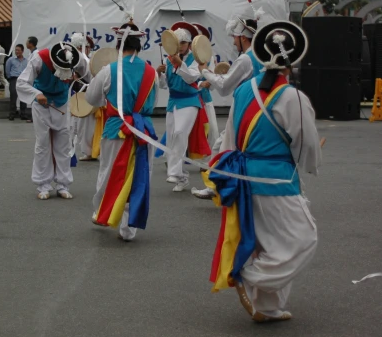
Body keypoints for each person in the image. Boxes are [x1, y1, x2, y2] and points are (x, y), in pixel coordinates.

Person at [205, 20, 321, 323]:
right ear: (292, 59)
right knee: (302, 239)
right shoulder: (293, 97)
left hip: (244, 177)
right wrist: (306, 165)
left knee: (267, 241)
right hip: (276, 178)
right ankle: (248, 274)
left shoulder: (244, 91)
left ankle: (266, 307)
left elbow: (230, 138)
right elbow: (305, 144)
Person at [86, 21, 157, 241]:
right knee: (139, 175)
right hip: (143, 130)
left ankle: (103, 212)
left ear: (119, 45)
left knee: (108, 172)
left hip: (117, 128)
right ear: (139, 46)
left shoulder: (110, 70)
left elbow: (91, 98)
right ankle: (128, 228)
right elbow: (152, 104)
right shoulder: (152, 72)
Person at [193, 15, 266, 199]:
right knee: (226, 146)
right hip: (261, 108)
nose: (233, 42)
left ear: (242, 37)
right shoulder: (262, 55)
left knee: (225, 147)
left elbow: (225, 87)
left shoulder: (245, 59)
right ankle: (218, 186)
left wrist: (206, 73)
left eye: (234, 37)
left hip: (243, 108)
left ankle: (220, 187)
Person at [17, 41, 89, 200]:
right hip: (42, 103)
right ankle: (43, 185)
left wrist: (84, 81)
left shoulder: (78, 59)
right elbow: (22, 82)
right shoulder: (39, 58)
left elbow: (89, 76)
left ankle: (63, 184)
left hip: (63, 103)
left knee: (63, 144)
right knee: (43, 143)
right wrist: (36, 93)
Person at [156, 21, 211, 192]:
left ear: (189, 44)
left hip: (190, 100)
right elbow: (165, 85)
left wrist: (180, 64)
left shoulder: (196, 58)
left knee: (180, 132)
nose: (180, 46)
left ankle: (174, 172)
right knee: (172, 136)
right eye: (177, 43)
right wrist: (160, 73)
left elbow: (192, 78)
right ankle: (181, 176)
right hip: (173, 101)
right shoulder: (168, 58)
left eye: (183, 43)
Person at [70, 33, 100, 162]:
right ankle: (85, 151)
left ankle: (89, 151)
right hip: (78, 95)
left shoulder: (85, 61)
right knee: (77, 126)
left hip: (87, 96)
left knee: (85, 126)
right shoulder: (78, 59)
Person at [5, 44, 28, 121]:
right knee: (13, 97)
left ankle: (23, 114)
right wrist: (10, 78)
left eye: (18, 50)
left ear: (22, 51)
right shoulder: (11, 60)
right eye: (16, 50)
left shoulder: (26, 61)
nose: (17, 51)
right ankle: (12, 114)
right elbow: (7, 70)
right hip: (14, 79)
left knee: (23, 97)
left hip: (23, 80)